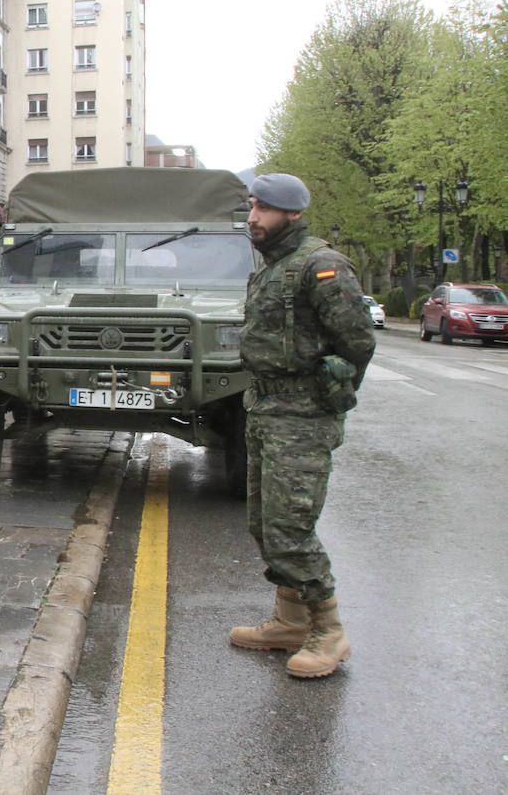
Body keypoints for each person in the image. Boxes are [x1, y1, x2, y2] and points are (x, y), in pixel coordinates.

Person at [231, 172, 376, 679]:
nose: (253, 218)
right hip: (266, 408)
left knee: (290, 527)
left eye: (264, 209)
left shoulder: (323, 266)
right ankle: (289, 621)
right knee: (262, 524)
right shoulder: (273, 267)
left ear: (292, 213)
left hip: (303, 416)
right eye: (252, 207)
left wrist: (331, 389)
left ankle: (329, 632)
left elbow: (357, 340)